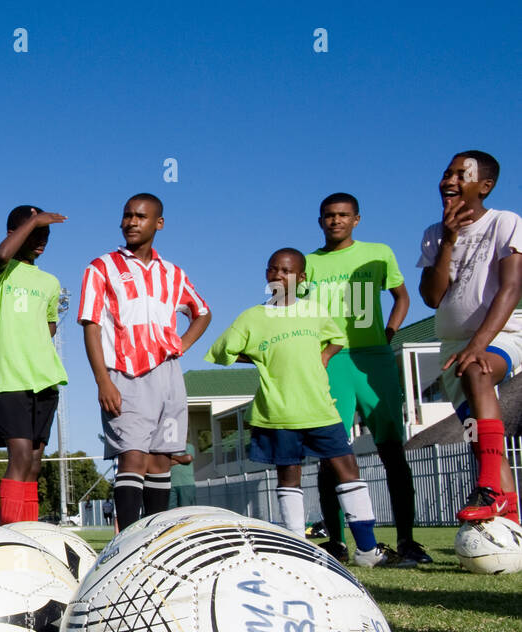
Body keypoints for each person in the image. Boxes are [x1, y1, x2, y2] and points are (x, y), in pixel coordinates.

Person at [205, 249, 393, 566]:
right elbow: (222, 352)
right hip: (278, 412)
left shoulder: (315, 312)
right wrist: (257, 357)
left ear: (301, 277)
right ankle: (296, 546)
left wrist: (325, 356)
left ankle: (367, 549)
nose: (278, 275)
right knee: (288, 476)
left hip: (321, 408)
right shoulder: (252, 317)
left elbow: (336, 338)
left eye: (287, 271)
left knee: (347, 469)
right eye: (273, 269)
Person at [305, 193, 428, 566]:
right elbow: (284, 309)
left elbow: (401, 297)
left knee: (392, 449)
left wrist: (388, 333)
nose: (335, 221)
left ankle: (407, 540)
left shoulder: (379, 253)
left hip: (373, 358)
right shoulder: (307, 262)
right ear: (321, 220)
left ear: (356, 219)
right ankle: (337, 543)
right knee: (332, 455)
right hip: (328, 360)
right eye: (328, 216)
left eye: (343, 215)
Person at [79, 194, 211, 531]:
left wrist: (181, 344)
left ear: (158, 223)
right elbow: (91, 326)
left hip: (167, 376)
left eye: (140, 216)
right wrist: (102, 380)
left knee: (160, 461)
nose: (131, 222)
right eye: (127, 216)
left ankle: (153, 538)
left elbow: (203, 312)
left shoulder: (172, 273)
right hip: (124, 374)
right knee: (132, 456)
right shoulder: (102, 267)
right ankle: (127, 542)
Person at [417, 151, 522, 523]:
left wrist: (478, 345)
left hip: (502, 333)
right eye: (447, 173)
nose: (450, 180)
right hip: (452, 347)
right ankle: (510, 522)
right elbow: (432, 297)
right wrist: (448, 240)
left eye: (462, 174)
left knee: (478, 369)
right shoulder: (433, 234)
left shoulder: (505, 222)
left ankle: (490, 490)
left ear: (485, 186)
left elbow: (510, 289)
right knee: (480, 440)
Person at [0, 205, 68, 525]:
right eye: (34, 232)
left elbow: (50, 325)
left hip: (45, 377)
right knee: (18, 457)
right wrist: (33, 220)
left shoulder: (50, 282)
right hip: (8, 377)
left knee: (34, 462)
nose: (42, 239)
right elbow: (4, 255)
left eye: (45, 234)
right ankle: (9, 535)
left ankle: (27, 534)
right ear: (14, 233)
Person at [168, 442, 196, 508]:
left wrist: (172, 456)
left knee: (186, 511)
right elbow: (165, 462)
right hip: (170, 485)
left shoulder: (188, 446)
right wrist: (182, 459)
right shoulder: (167, 448)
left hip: (186, 484)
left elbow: (188, 458)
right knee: (171, 512)